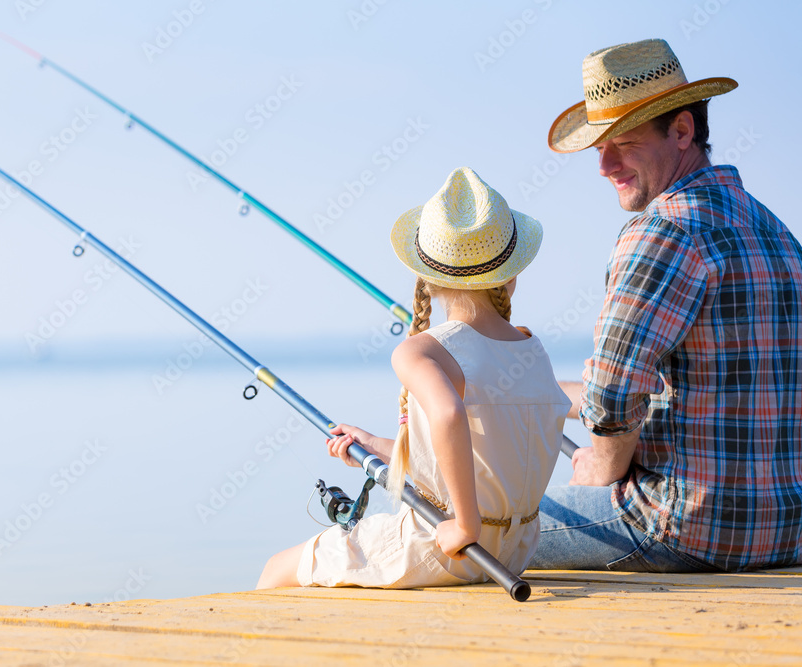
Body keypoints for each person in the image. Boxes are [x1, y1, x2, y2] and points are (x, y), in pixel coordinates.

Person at [532, 38, 802, 572]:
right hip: (788, 533)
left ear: (682, 130)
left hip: (681, 528)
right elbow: (696, 390)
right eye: (597, 147)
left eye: (623, 143)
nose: (604, 164)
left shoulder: (663, 231)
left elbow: (614, 395)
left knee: (454, 522)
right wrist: (508, 392)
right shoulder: (777, 234)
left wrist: (600, 471)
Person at [256, 167, 571, 589]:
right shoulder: (532, 350)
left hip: (445, 548)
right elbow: (476, 454)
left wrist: (464, 524)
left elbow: (448, 414)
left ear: (427, 279)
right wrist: (377, 446)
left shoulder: (418, 350)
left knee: (277, 569)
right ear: (511, 276)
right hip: (512, 551)